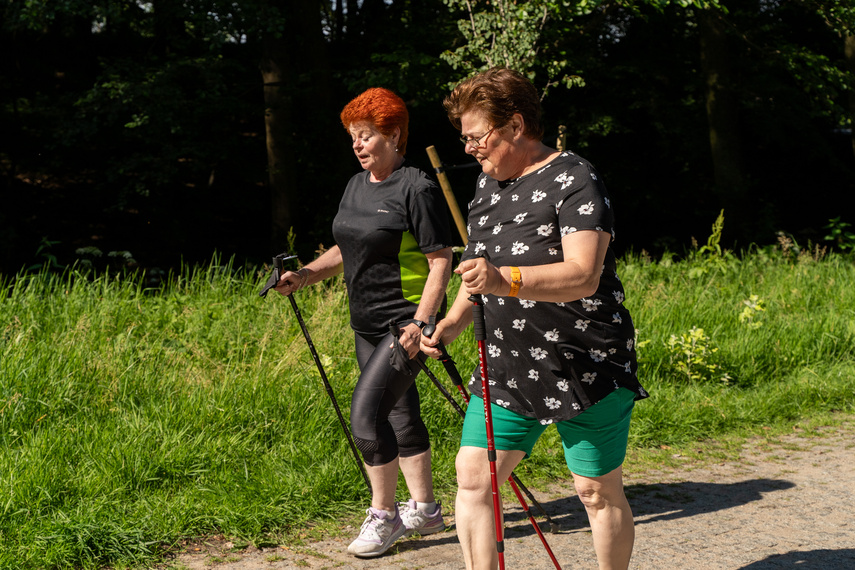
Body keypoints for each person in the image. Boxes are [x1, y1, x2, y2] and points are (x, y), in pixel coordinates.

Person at [421, 67, 649, 570]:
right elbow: (476, 273)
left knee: (595, 490)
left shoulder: (575, 177)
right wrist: (451, 324)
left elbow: (584, 274)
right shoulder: (487, 185)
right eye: (464, 138)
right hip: (506, 362)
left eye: (477, 136)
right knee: (475, 479)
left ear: (516, 125)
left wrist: (506, 280)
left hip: (585, 360)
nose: (469, 148)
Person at [275, 87, 454, 558]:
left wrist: (424, 322)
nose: (357, 145)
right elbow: (348, 248)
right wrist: (306, 274)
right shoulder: (357, 185)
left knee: (366, 415)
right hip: (366, 323)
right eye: (353, 136)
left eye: (366, 136)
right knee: (398, 412)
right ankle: (427, 509)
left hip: (404, 324)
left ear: (394, 135)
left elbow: (441, 260)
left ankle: (385, 515)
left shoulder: (416, 186)